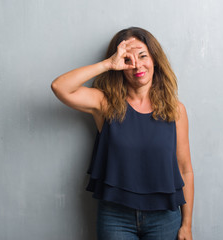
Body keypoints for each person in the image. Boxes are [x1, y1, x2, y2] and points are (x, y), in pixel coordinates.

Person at [51, 27, 194, 240]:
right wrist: (107, 64)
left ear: (154, 59)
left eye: (143, 55)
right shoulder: (105, 103)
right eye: (128, 59)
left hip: (164, 217)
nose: (137, 64)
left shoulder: (175, 110)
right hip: (116, 217)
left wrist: (186, 225)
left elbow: (185, 170)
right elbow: (60, 87)